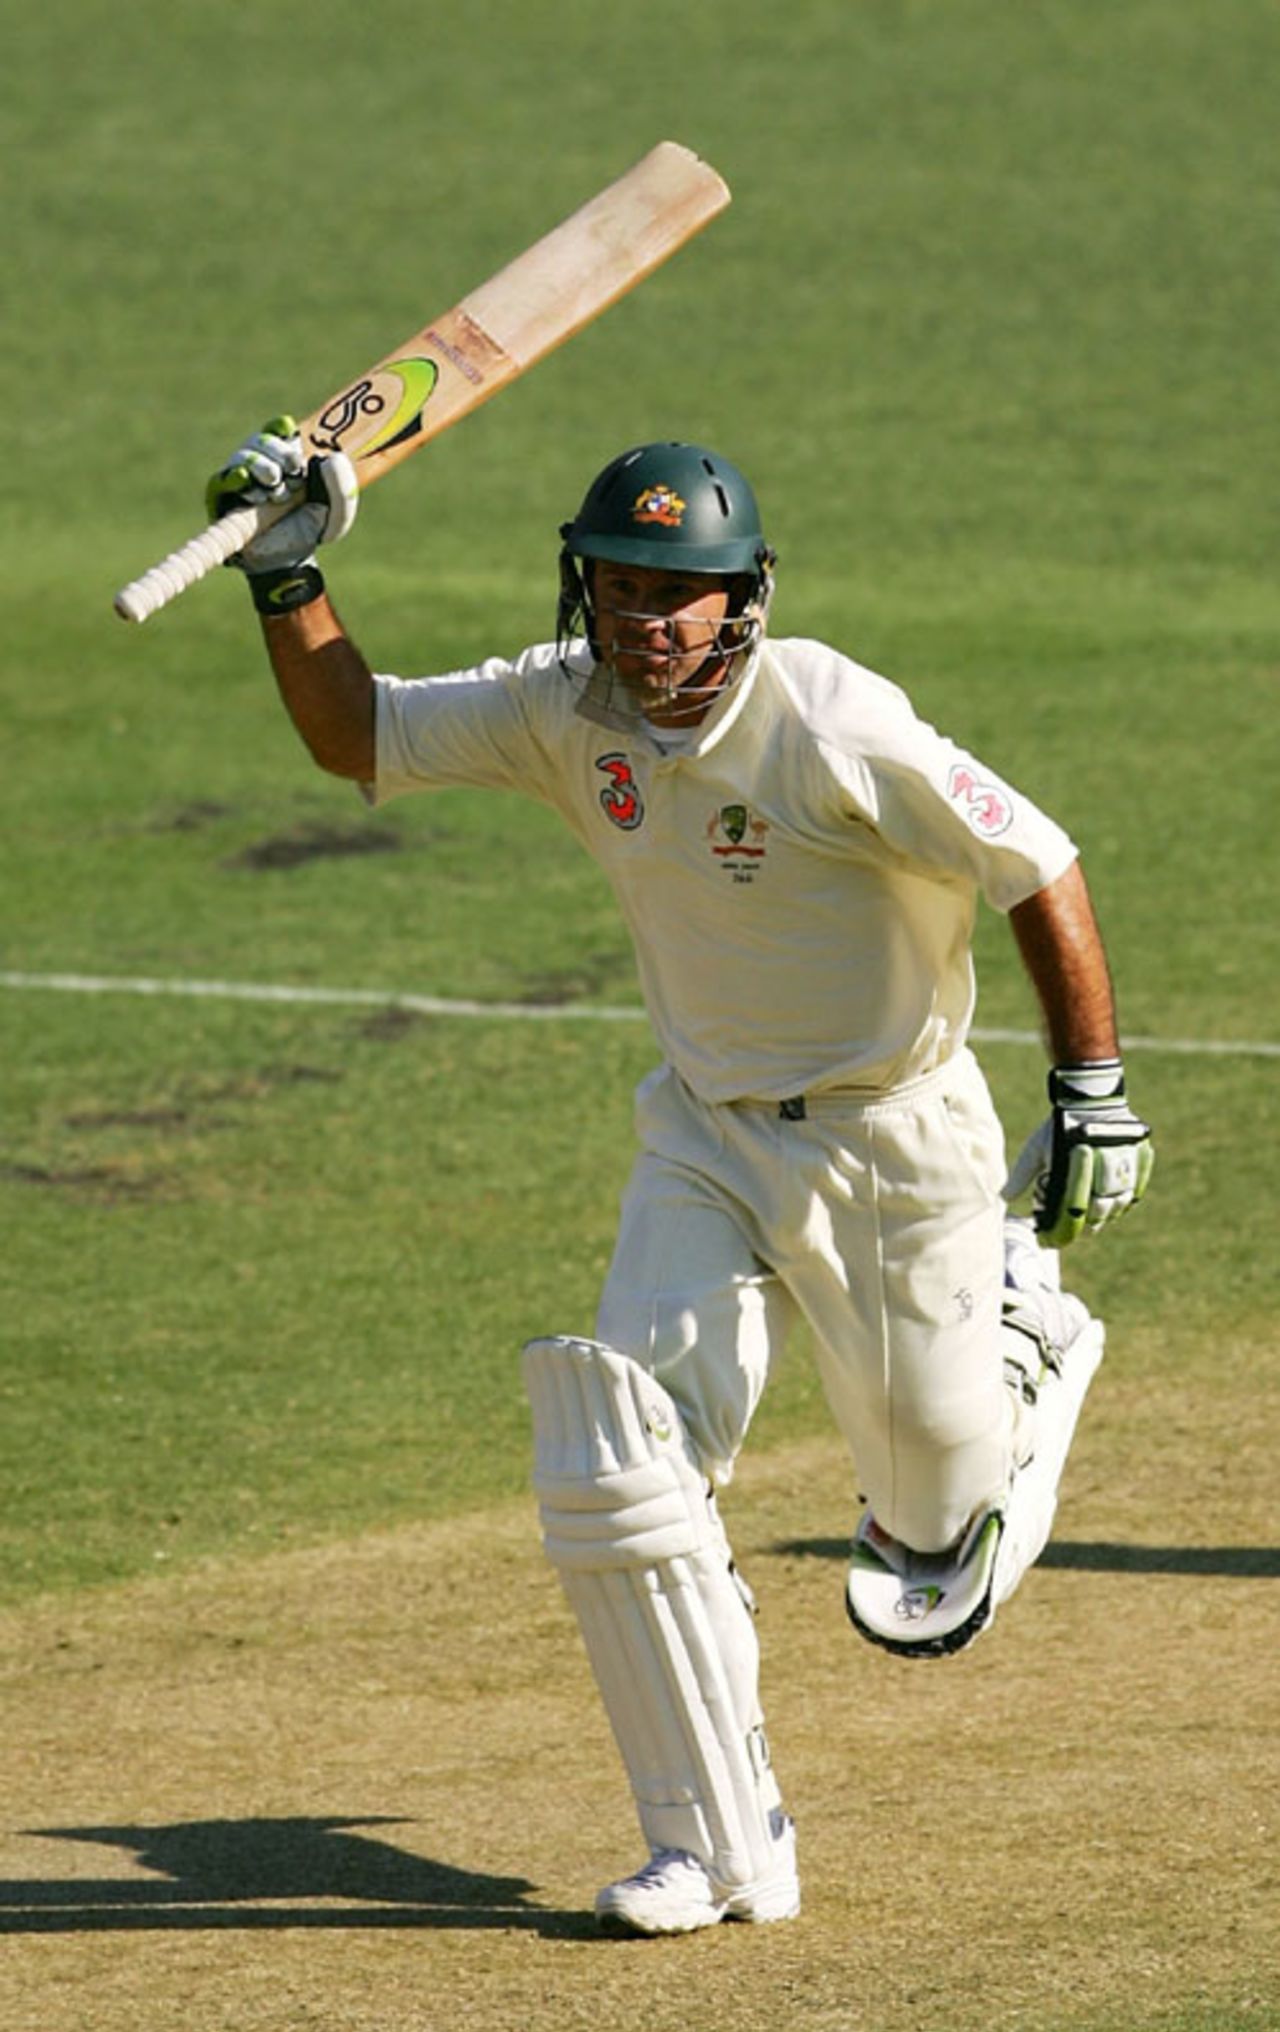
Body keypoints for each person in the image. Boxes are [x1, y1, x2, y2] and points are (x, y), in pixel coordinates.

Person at [206, 421, 1154, 1936]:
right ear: (587, 588)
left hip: (894, 1139)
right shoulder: (560, 704)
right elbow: (359, 734)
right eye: (625, 587)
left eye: (683, 592)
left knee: (927, 1569)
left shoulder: (833, 719)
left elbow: (1036, 861)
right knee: (612, 1460)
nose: (651, 623)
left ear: (743, 597)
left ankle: (1022, 1334)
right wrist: (287, 574)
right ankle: (718, 1845)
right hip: (705, 1131)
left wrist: (1090, 1089)